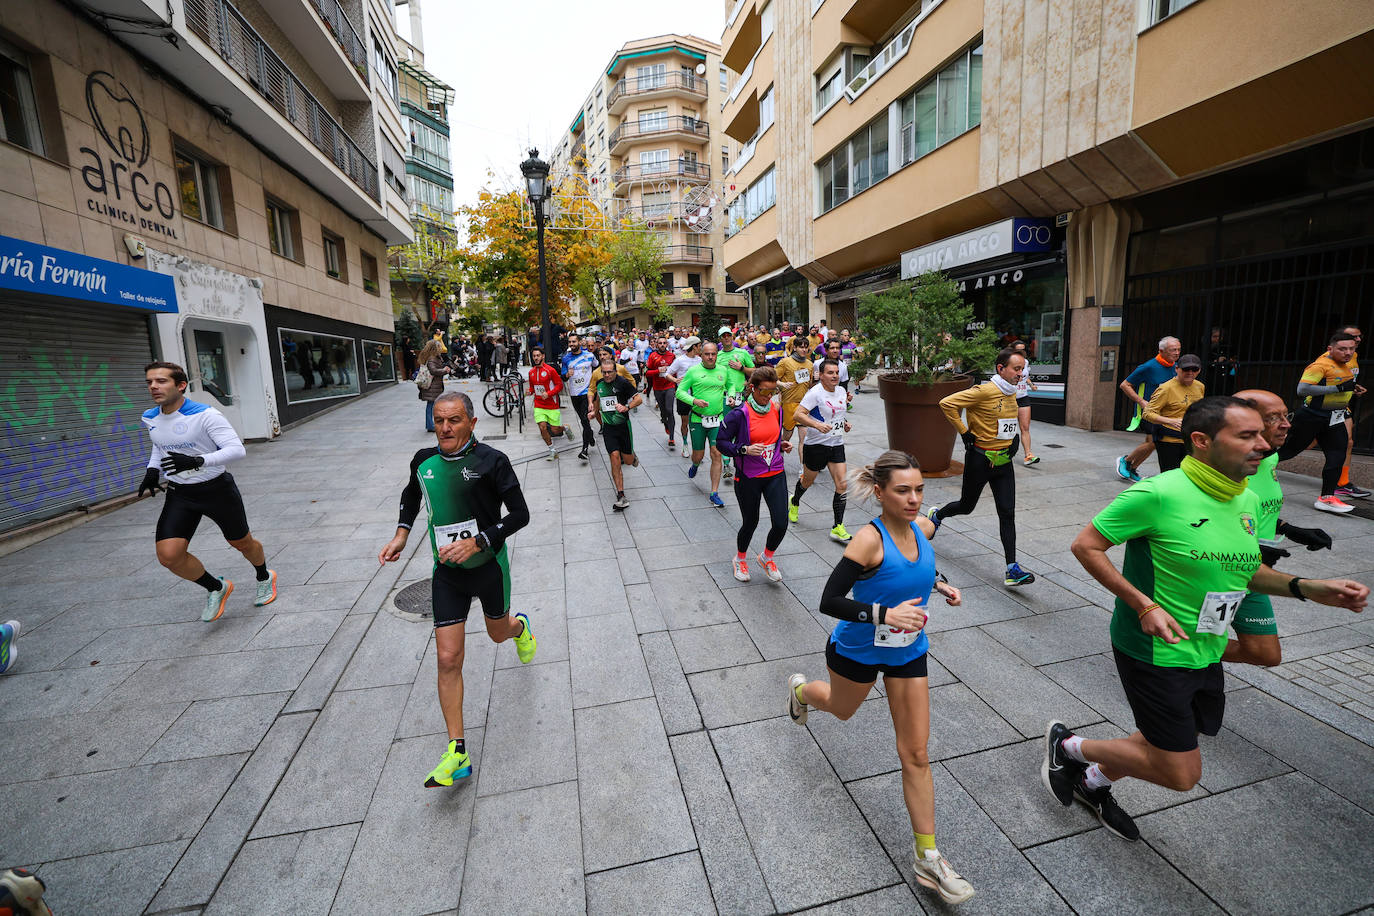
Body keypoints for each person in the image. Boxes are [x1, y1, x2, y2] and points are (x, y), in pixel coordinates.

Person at [1043, 396, 1368, 839]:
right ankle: (1067, 748)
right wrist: (1144, 604)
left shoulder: (1247, 498)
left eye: (1263, 434)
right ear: (1200, 440)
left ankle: (1091, 783)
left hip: (1206, 645)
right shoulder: (1157, 493)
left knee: (1163, 738)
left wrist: (1306, 588)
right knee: (1180, 772)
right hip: (1155, 650)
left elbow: (1245, 568)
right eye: (1247, 435)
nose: (1263, 445)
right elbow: (1086, 546)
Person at [788, 450, 975, 905]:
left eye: (919, 490)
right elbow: (829, 599)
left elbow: (919, 567)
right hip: (856, 647)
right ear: (880, 493)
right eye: (903, 491)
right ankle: (800, 691)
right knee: (841, 708)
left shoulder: (923, 528)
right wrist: (884, 613)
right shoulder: (866, 542)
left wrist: (941, 584)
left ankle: (928, 858)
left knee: (916, 752)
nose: (914, 499)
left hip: (907, 650)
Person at [380, 391, 537, 787]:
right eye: (439, 420)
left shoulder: (492, 461)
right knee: (448, 659)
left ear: (471, 422)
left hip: (488, 567)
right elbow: (411, 495)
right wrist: (401, 534)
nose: (445, 428)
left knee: (497, 633)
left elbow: (520, 514)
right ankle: (457, 751)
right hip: (447, 571)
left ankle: (520, 628)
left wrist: (479, 540)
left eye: (454, 420)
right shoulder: (423, 460)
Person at [138, 361, 276, 623]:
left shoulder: (206, 415)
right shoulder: (150, 416)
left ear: (181, 386)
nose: (154, 386)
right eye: (150, 382)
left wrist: (198, 460)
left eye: (161, 381)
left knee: (241, 543)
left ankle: (264, 576)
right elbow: (160, 445)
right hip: (180, 493)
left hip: (216, 490)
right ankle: (216, 587)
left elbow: (237, 450)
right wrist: (152, 469)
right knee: (169, 556)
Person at [1223, 388, 1334, 668]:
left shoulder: (1269, 457)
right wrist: (1245, 549)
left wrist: (1289, 528)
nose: (1286, 424)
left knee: (1265, 654)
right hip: (1223, 567)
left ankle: (1195, 650)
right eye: (1273, 418)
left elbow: (1253, 511)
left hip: (1255, 567)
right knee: (1186, 638)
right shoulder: (1227, 466)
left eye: (1287, 415)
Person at [928, 348, 1035, 587]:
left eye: (1023, 369)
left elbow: (1004, 422)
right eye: (1017, 369)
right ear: (1001, 369)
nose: (1021, 374)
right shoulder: (985, 390)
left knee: (1007, 513)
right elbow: (947, 403)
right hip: (980, 459)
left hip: (1003, 462)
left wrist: (1014, 440)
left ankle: (1012, 569)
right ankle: (938, 515)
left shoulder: (1011, 392)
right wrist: (965, 432)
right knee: (966, 506)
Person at [717, 366, 793, 582]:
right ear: (752, 388)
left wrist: (781, 444)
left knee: (781, 522)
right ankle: (740, 559)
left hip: (775, 471)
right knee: (751, 522)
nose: (768, 397)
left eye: (772, 392)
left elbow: (773, 437)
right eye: (765, 392)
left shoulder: (776, 409)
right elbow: (721, 442)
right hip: (748, 475)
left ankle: (766, 557)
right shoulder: (739, 414)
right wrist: (744, 449)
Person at [1277, 330, 1361, 513]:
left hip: (1334, 417)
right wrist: (1338, 388)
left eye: (1351, 349)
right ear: (1330, 349)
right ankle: (1250, 470)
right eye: (1342, 349)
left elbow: (1338, 383)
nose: (1347, 353)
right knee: (1288, 451)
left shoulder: (1345, 363)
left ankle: (1327, 497)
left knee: (1337, 455)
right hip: (1311, 416)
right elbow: (1303, 389)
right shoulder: (1320, 365)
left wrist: (1351, 389)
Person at [790, 359, 852, 543]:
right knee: (808, 481)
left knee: (842, 485)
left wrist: (845, 424)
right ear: (821, 375)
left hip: (836, 444)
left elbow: (839, 414)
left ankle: (837, 527)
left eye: (836, 373)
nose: (834, 376)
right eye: (830, 373)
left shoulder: (841, 390)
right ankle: (794, 501)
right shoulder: (814, 393)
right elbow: (798, 414)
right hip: (816, 446)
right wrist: (816, 424)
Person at [1116, 336, 1181, 481]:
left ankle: (1132, 468)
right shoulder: (1148, 367)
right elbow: (1125, 385)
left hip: (1165, 414)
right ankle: (1125, 461)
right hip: (1148, 412)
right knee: (1153, 442)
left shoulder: (1176, 367)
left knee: (1151, 443)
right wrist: (1141, 401)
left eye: (1178, 349)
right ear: (1161, 351)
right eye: (1173, 350)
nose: (1176, 353)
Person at [677, 341, 731, 508]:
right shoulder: (693, 371)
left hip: (717, 420)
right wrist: (694, 401)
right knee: (698, 455)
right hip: (698, 420)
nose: (710, 357)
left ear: (717, 354)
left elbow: (731, 386)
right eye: (707, 354)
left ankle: (714, 493)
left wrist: (730, 395)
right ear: (701, 354)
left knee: (716, 453)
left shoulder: (723, 370)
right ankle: (695, 464)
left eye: (713, 354)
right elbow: (680, 391)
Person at [591, 352, 644, 510]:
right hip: (609, 428)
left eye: (609, 372)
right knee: (614, 457)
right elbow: (598, 400)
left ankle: (632, 457)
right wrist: (594, 412)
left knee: (627, 461)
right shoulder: (599, 384)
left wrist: (626, 407)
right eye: (604, 372)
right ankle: (621, 495)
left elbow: (639, 399)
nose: (606, 375)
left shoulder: (622, 383)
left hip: (623, 427)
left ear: (615, 371)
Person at [1143, 353, 1206, 472]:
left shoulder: (1200, 387)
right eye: (1186, 369)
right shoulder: (1166, 388)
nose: (1190, 372)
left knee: (1188, 474)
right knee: (1170, 475)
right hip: (1169, 440)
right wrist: (1170, 421)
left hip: (1190, 439)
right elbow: (1147, 413)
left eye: (1194, 369)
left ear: (1199, 370)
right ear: (1177, 369)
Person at [1329, 324, 1368, 502]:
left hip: (1342, 406)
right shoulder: (1329, 357)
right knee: (1303, 444)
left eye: (1359, 337)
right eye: (1354, 336)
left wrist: (1353, 388)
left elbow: (1346, 378)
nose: (1358, 339)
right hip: (1324, 407)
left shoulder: (1354, 355)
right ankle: (1267, 461)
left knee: (1348, 442)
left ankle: (1342, 483)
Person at [528, 345, 575, 459]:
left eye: (538, 355)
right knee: (543, 427)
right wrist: (529, 392)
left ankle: (565, 428)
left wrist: (548, 394)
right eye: (534, 356)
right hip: (539, 405)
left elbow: (559, 385)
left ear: (543, 356)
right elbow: (532, 388)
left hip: (552, 405)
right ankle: (552, 450)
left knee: (555, 429)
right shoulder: (531, 372)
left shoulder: (550, 370)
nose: (536, 358)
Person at [561, 336, 598, 461]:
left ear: (579, 343)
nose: (572, 344)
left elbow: (596, 366)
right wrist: (567, 374)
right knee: (584, 421)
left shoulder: (589, 355)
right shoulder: (566, 358)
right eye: (570, 342)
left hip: (587, 393)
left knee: (584, 419)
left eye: (574, 341)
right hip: (574, 394)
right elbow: (563, 377)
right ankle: (590, 435)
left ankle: (584, 450)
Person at [776, 337, 816, 453]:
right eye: (801, 347)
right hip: (788, 404)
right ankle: (778, 455)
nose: (804, 350)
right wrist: (782, 384)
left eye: (806, 347)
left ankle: (803, 469)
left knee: (804, 437)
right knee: (787, 435)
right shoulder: (785, 362)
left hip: (803, 405)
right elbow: (772, 379)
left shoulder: (809, 364)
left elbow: (809, 385)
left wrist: (816, 380)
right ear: (795, 348)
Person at [665, 336, 703, 457]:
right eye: (699, 345)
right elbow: (667, 373)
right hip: (684, 396)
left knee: (698, 423)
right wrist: (676, 380)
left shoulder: (700, 360)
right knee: (685, 422)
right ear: (694, 347)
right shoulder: (680, 360)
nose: (700, 348)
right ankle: (685, 445)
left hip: (697, 396)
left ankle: (697, 449)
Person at [643, 335, 679, 449]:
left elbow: (676, 371)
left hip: (670, 386)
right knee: (663, 411)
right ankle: (664, 421)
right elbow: (647, 373)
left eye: (664, 343)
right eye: (660, 343)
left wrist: (677, 383)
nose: (662, 345)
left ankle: (672, 437)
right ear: (656, 344)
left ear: (667, 344)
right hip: (658, 388)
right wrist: (657, 370)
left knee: (670, 410)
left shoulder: (672, 356)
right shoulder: (653, 356)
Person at [1010, 340, 1039, 466]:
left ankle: (1028, 455)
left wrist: (1031, 385)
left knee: (1025, 427)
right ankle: (1002, 452)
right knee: (1007, 428)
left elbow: (1025, 376)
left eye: (1023, 349)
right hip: (1010, 398)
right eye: (1019, 350)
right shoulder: (1008, 361)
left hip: (1023, 397)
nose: (1022, 351)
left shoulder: (1026, 362)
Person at [416, 339, 451, 433]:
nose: (441, 348)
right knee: (431, 405)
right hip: (432, 385)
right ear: (435, 348)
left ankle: (432, 424)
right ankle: (430, 425)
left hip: (435, 385)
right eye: (439, 347)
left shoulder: (436, 357)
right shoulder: (432, 358)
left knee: (432, 405)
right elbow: (433, 371)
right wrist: (444, 370)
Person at [1202, 326, 1237, 397]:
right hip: (1209, 385)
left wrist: (1231, 363)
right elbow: (1200, 365)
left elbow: (1234, 364)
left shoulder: (1226, 348)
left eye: (1220, 337)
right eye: (1215, 336)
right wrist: (1215, 362)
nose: (1217, 339)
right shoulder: (1202, 349)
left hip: (1226, 385)